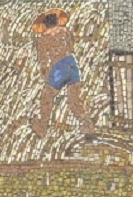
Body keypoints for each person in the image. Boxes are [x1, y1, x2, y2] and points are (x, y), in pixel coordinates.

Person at [28, 8, 97, 137]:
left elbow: (43, 60)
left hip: (59, 67)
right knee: (74, 100)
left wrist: (46, 74)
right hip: (72, 63)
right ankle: (87, 125)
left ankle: (43, 127)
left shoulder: (43, 38)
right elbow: (71, 47)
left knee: (46, 97)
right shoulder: (66, 32)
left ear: (44, 24)